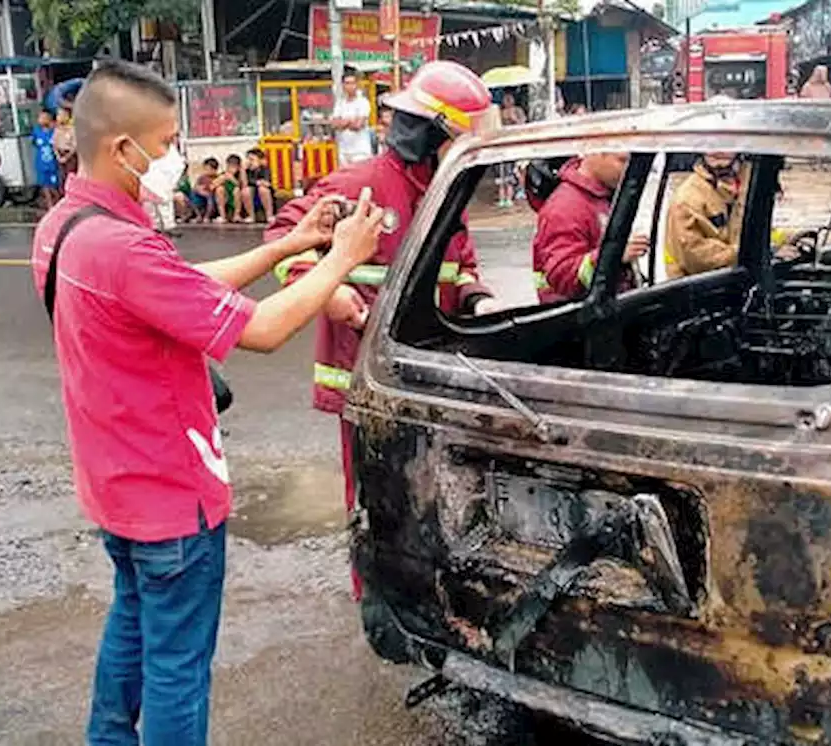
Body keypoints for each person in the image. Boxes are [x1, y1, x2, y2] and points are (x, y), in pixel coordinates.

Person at [29, 59, 384, 746]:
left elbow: (181, 284)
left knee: (133, 620)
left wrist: (294, 241)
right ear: (122, 150)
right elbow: (263, 328)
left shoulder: (68, 226)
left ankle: (108, 738)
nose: (175, 160)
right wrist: (343, 257)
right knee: (178, 668)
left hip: (115, 488)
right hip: (171, 499)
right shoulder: (125, 247)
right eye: (165, 146)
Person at [265, 60, 499, 601]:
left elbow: (459, 266)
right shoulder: (358, 186)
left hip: (426, 378)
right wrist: (327, 290)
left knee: (431, 493)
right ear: (431, 136)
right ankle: (374, 599)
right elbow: (285, 237)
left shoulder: (446, 192)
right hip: (362, 381)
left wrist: (477, 297)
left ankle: (424, 589)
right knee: (373, 498)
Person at [532, 152, 648, 303]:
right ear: (596, 152)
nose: (628, 169)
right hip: (580, 322)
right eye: (622, 161)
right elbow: (562, 278)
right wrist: (613, 254)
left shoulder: (603, 197)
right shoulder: (565, 207)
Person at [663, 152, 745, 279]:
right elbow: (695, 257)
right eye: (711, 145)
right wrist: (744, 252)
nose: (719, 150)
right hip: (698, 291)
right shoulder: (687, 198)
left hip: (738, 281)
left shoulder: (749, 185)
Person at [331, 70, 373, 166]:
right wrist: (350, 121)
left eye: (352, 83)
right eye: (347, 83)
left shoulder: (363, 102)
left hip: (360, 150)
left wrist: (343, 123)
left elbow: (358, 125)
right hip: (343, 150)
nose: (350, 86)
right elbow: (334, 124)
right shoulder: (340, 103)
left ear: (356, 84)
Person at [497, 92, 528, 207]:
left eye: (510, 98)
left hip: (518, 143)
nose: (508, 101)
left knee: (521, 168)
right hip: (505, 146)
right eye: (506, 99)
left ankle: (521, 190)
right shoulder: (500, 113)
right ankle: (504, 198)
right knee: (505, 172)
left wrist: (514, 119)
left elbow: (523, 124)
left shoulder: (519, 111)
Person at [33, 109, 62, 210]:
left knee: (54, 186)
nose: (40, 120)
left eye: (43, 117)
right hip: (41, 163)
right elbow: (35, 143)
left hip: (53, 164)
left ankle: (59, 202)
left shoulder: (54, 131)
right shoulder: (37, 131)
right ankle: (50, 205)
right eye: (39, 117)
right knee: (45, 185)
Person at [241, 148, 275, 223]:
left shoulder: (265, 169)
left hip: (263, 194)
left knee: (262, 189)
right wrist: (243, 170)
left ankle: (269, 215)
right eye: (248, 159)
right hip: (252, 194)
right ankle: (251, 216)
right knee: (245, 191)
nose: (249, 162)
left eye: (252, 159)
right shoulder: (247, 170)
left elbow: (267, 183)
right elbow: (245, 185)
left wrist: (258, 182)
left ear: (260, 160)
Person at [212, 154, 246, 223]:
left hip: (237, 197)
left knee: (236, 190)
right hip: (226, 197)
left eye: (233, 166)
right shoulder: (224, 174)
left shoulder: (240, 174)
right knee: (219, 189)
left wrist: (232, 179)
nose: (230, 168)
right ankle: (222, 216)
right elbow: (212, 186)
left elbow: (243, 186)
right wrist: (219, 180)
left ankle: (237, 215)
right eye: (229, 166)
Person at [54, 106, 78, 190]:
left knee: (71, 177)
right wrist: (58, 156)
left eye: (61, 114)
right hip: (60, 155)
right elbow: (55, 144)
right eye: (58, 115)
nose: (58, 117)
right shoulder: (57, 130)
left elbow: (74, 146)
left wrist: (67, 157)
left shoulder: (72, 129)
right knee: (62, 178)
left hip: (70, 156)